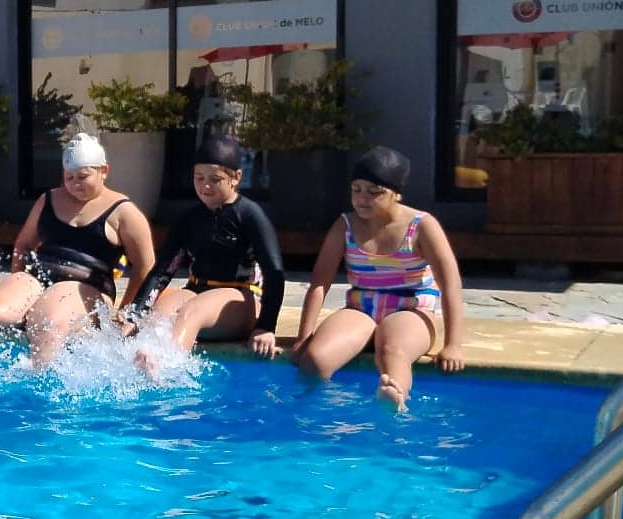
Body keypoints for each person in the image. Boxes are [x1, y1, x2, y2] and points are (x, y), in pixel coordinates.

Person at [0, 133, 154, 367]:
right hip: (38, 278)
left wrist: (126, 310)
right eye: (69, 177)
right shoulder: (49, 199)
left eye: (83, 176)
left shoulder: (124, 212)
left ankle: (42, 384)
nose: (75, 183)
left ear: (104, 171)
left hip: (87, 288)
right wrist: (18, 280)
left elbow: (145, 266)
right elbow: (23, 244)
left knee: (47, 317)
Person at [291, 146, 468, 410]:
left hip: (411, 307)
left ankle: (394, 400)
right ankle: (327, 412)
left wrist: (453, 345)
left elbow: (451, 285)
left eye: (374, 192)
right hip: (362, 306)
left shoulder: (421, 226)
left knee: (393, 352)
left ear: (396, 193)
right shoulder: (345, 225)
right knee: (314, 360)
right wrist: (303, 337)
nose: (363, 199)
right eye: (356, 189)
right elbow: (319, 284)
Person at [128, 133, 285, 359]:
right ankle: (143, 364)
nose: (205, 186)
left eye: (215, 179)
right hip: (195, 291)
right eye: (199, 178)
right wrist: (135, 314)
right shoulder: (189, 218)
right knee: (159, 315)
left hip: (239, 299)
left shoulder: (250, 216)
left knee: (192, 312)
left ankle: (168, 366)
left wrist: (266, 327)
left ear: (236, 177)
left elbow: (275, 274)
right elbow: (162, 271)